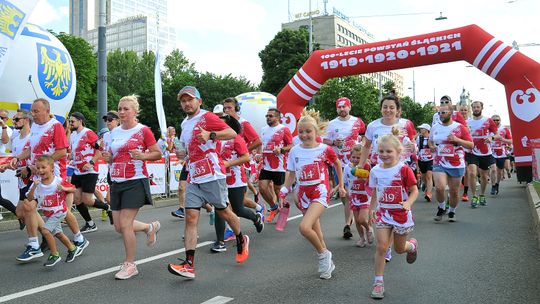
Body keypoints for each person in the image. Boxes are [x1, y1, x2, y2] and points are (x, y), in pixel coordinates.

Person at [167, 86, 250, 279]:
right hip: (194, 175)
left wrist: (211, 135)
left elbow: (231, 134)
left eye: (190, 99)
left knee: (225, 212)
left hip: (212, 174)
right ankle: (188, 265)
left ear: (199, 101)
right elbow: (189, 148)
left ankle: (240, 238)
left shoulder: (208, 117)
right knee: (191, 218)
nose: (187, 103)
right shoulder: (184, 123)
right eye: (183, 101)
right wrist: (183, 153)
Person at [12, 98, 88, 262]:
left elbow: (61, 151)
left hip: (55, 174)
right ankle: (36, 244)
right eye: (32, 111)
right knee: (29, 206)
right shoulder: (35, 126)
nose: (33, 114)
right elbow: (32, 148)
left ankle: (78, 239)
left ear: (47, 111)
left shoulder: (55, 126)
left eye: (36, 111)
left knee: (60, 210)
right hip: (39, 174)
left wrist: (42, 166)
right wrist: (19, 158)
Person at [102, 95, 162, 280]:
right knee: (119, 226)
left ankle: (130, 264)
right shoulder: (114, 132)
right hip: (117, 181)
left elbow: (157, 154)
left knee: (126, 224)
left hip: (135, 180)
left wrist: (143, 156)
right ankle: (148, 227)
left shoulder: (143, 131)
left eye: (126, 109)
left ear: (135, 111)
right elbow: (112, 155)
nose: (121, 112)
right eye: (120, 109)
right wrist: (108, 158)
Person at [279, 114, 345, 279]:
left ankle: (323, 255)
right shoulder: (295, 151)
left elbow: (337, 163)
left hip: (320, 192)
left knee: (304, 227)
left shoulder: (324, 149)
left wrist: (341, 185)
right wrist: (284, 190)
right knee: (316, 231)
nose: (304, 135)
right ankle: (327, 263)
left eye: (308, 131)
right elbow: (292, 173)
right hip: (303, 195)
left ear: (316, 131)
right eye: (301, 132)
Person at [358, 95, 415, 263]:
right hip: (379, 170)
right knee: (380, 204)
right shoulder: (373, 126)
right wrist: (361, 166)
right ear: (381, 108)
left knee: (394, 205)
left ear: (398, 110)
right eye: (385, 107)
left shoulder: (406, 124)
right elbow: (366, 146)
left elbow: (411, 146)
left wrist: (413, 148)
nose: (388, 110)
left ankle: (395, 243)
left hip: (399, 173)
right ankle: (385, 246)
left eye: (392, 107)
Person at [368, 134, 419, 299]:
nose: (384, 154)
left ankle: (411, 246)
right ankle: (378, 282)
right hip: (383, 213)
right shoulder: (375, 170)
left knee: (398, 249)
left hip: (401, 214)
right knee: (382, 247)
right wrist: (371, 208)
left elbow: (414, 190)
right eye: (381, 151)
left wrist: (408, 203)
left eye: (388, 151)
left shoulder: (404, 169)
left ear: (398, 152)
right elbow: (375, 191)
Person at [211, 114, 264, 252]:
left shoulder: (236, 139)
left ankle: (256, 218)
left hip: (236, 180)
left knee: (238, 209)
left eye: (222, 125)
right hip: (219, 179)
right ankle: (220, 241)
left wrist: (228, 163)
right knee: (220, 210)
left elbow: (246, 157)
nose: (219, 127)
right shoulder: (213, 140)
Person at [25, 155, 83, 266]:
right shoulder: (37, 184)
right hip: (48, 214)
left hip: (59, 211)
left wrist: (64, 189)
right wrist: (33, 188)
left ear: (51, 167)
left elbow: (73, 188)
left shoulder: (58, 181)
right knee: (58, 233)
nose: (40, 170)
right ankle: (72, 248)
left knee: (46, 231)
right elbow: (29, 198)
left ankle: (54, 254)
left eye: (43, 167)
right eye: (38, 168)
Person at [323, 97, 365, 240]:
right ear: (337, 109)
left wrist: (362, 150)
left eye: (344, 107)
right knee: (344, 195)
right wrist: (334, 142)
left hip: (355, 164)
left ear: (349, 107)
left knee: (353, 193)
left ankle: (348, 224)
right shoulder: (331, 124)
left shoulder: (357, 122)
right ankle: (350, 218)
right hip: (339, 165)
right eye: (339, 107)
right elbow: (323, 140)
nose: (342, 109)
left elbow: (365, 137)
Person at [68, 112, 113, 232]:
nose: (70, 123)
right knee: (77, 200)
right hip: (77, 172)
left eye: (72, 121)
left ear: (80, 121)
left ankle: (108, 207)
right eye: (69, 121)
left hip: (90, 172)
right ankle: (90, 223)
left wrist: (91, 163)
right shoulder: (72, 135)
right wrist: (70, 157)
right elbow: (74, 153)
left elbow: (99, 151)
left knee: (87, 200)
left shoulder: (88, 133)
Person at [428, 106, 474, 222]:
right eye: (439, 113)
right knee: (439, 187)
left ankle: (452, 211)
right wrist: (432, 146)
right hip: (439, 162)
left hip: (456, 163)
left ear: (451, 113)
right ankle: (441, 207)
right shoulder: (435, 127)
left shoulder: (460, 128)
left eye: (443, 112)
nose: (441, 115)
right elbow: (430, 140)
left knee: (454, 191)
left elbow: (470, 145)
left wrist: (457, 140)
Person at [222, 97, 264, 217]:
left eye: (229, 107)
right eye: (225, 108)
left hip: (241, 164)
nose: (226, 110)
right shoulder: (224, 124)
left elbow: (257, 141)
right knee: (234, 200)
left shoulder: (243, 123)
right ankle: (258, 208)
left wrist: (243, 151)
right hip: (226, 166)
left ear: (236, 108)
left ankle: (231, 229)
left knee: (236, 202)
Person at [258, 108, 293, 222]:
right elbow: (262, 144)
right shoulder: (263, 129)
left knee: (278, 191)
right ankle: (274, 207)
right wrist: (258, 154)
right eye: (267, 116)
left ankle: (283, 208)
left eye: (271, 116)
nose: (268, 118)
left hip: (279, 165)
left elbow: (291, 145)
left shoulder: (283, 129)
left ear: (278, 118)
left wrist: (281, 150)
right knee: (262, 188)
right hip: (266, 165)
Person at [0, 109, 32, 230]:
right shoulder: (16, 138)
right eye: (14, 119)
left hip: (31, 177)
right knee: (22, 212)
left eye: (17, 119)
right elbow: (15, 160)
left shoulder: (32, 137)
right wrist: (6, 166)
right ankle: (42, 237)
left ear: (26, 120)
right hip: (21, 179)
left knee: (29, 211)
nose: (14, 121)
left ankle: (40, 239)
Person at [466, 101, 499, 207]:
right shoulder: (467, 122)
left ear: (481, 108)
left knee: (484, 176)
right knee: (471, 173)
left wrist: (491, 138)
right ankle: (474, 196)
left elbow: (497, 135)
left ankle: (482, 194)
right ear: (472, 108)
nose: (476, 109)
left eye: (478, 107)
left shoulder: (488, 120)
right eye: (474, 107)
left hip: (485, 152)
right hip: (472, 151)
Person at [343, 144, 373, 247]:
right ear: (350, 156)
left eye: (358, 158)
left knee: (362, 219)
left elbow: (369, 180)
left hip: (364, 196)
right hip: (354, 196)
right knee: (357, 221)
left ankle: (369, 229)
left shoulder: (366, 165)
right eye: (354, 157)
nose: (355, 159)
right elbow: (346, 181)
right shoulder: (347, 167)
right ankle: (362, 238)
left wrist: (362, 176)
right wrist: (344, 189)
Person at [489, 115, 512, 194]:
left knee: (499, 171)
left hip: (502, 153)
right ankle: (493, 186)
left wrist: (503, 139)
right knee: (493, 169)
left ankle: (497, 184)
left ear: (500, 120)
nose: (495, 121)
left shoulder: (504, 129)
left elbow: (511, 141)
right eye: (494, 120)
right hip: (491, 152)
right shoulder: (488, 129)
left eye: (497, 120)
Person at [458, 104, 471, 202]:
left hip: (467, 149)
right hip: (457, 149)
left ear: (468, 111)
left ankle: (465, 192)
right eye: (461, 110)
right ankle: (454, 192)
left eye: (465, 110)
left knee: (467, 171)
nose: (463, 112)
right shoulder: (454, 122)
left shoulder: (470, 121)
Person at [416, 123, 433, 202]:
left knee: (429, 176)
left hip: (431, 159)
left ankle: (429, 193)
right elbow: (416, 147)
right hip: (421, 159)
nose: (421, 130)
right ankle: (427, 187)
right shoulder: (419, 138)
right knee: (424, 177)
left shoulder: (432, 137)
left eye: (422, 128)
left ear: (427, 130)